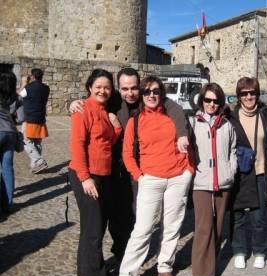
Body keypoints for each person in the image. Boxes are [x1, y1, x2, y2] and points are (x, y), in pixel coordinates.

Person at [69, 67, 189, 264]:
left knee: (136, 211)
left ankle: (136, 250)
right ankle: (121, 252)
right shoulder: (113, 99)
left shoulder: (147, 96)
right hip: (114, 167)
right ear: (118, 88)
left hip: (141, 167)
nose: (130, 93)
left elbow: (173, 107)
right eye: (124, 89)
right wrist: (74, 104)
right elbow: (92, 101)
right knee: (116, 213)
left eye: (134, 88)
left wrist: (182, 133)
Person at [117, 76, 193, 276]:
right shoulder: (136, 120)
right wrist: (140, 176)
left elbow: (190, 144)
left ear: (162, 94)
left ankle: (165, 266)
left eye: (156, 91)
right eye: (147, 92)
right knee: (142, 230)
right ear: (141, 95)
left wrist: (189, 170)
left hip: (178, 178)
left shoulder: (174, 114)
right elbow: (127, 154)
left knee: (172, 226)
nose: (152, 95)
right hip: (150, 179)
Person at [69, 69, 122, 276]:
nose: (103, 90)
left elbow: (107, 142)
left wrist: (116, 126)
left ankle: (85, 269)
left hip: (102, 175)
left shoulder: (104, 111)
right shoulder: (83, 110)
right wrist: (85, 177)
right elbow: (77, 146)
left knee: (93, 226)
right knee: (94, 230)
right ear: (90, 87)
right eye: (98, 86)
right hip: (87, 175)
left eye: (107, 87)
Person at [189, 83, 237, 276]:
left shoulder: (226, 124)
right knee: (204, 227)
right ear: (201, 101)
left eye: (215, 101)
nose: (211, 104)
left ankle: (210, 266)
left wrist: (230, 170)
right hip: (201, 183)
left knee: (218, 228)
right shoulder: (193, 123)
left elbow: (232, 150)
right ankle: (201, 273)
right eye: (207, 100)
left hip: (223, 182)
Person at [228, 77, 267, 269]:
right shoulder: (231, 116)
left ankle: (259, 251)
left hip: (260, 172)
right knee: (238, 216)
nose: (248, 97)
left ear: (257, 94)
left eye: (252, 93)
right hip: (239, 174)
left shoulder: (266, 114)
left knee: (259, 217)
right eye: (244, 93)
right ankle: (239, 250)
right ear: (238, 96)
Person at [19, 68, 50, 174]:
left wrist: (24, 82)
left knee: (26, 141)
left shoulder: (28, 87)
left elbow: (20, 94)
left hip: (30, 118)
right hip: (41, 118)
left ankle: (39, 161)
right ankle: (35, 165)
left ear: (32, 76)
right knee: (37, 142)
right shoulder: (46, 88)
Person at [0, 71, 18, 215]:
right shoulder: (14, 97)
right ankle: (8, 204)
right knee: (7, 169)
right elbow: (22, 117)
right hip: (11, 133)